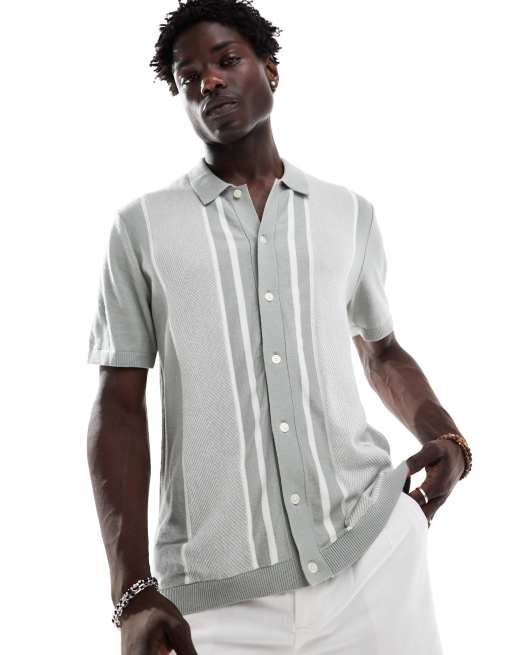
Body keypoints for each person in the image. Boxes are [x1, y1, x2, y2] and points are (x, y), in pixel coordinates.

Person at [86, 1, 472, 653]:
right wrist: (131, 593)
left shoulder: (348, 213)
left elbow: (381, 351)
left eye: (226, 60)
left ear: (270, 68)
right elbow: (118, 406)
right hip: (215, 601)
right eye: (189, 76)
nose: (208, 81)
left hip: (371, 554)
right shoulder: (142, 228)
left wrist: (444, 432)